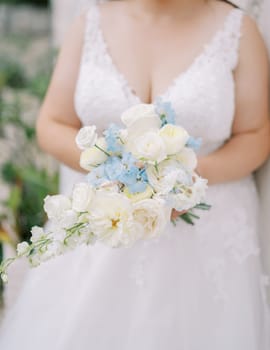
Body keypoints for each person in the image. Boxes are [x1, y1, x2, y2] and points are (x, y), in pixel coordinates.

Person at [0, 0, 270, 349]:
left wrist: (180, 175)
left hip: (206, 246)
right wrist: (113, 168)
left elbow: (256, 134)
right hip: (100, 228)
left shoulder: (238, 30)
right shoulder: (91, 23)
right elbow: (52, 123)